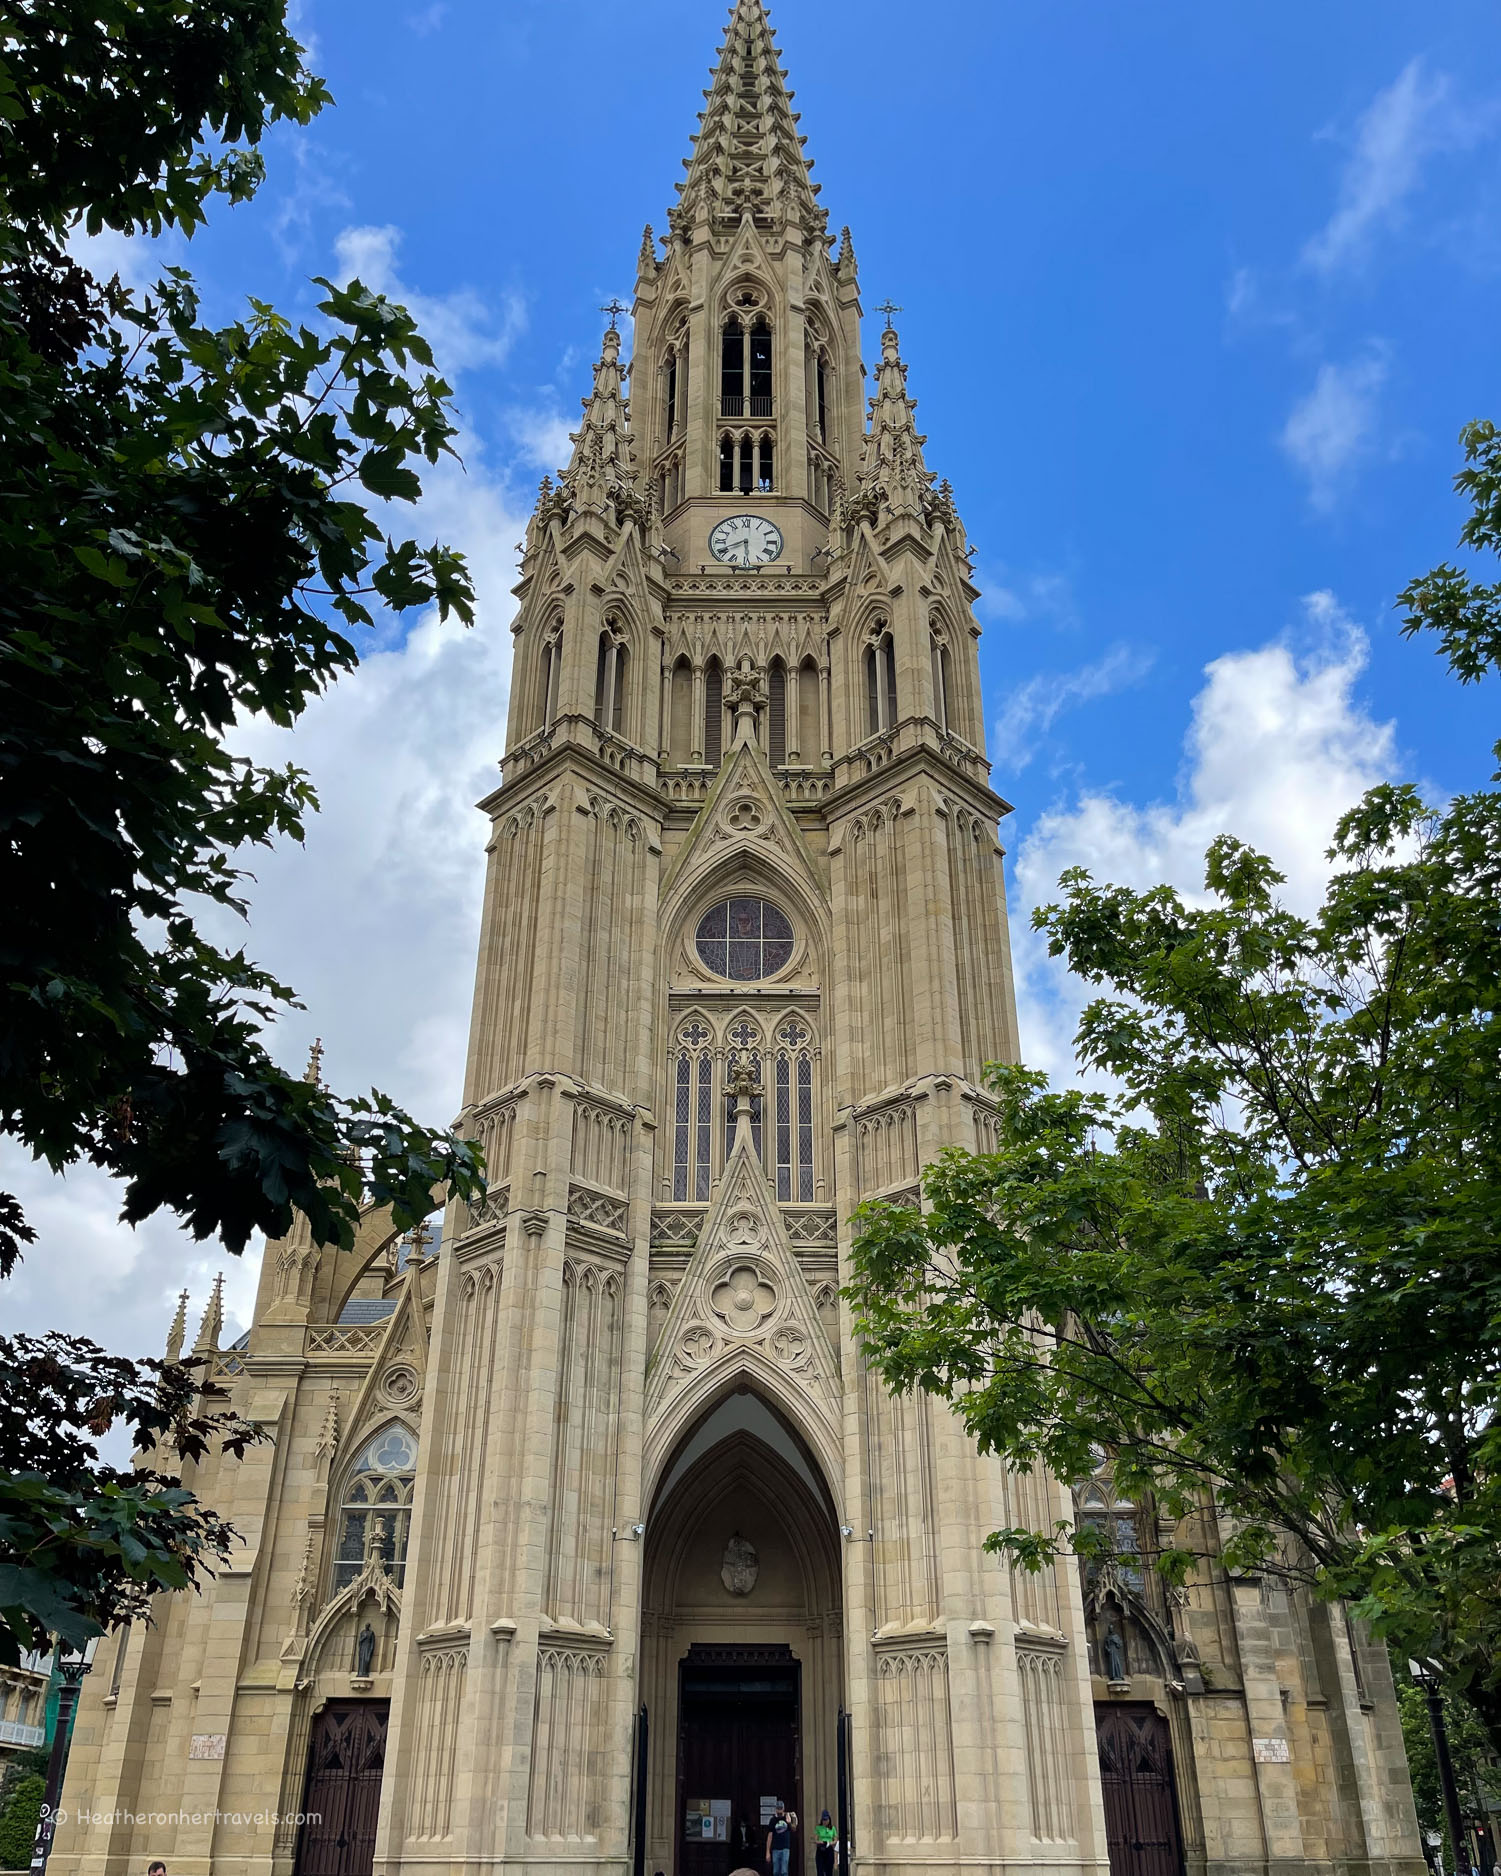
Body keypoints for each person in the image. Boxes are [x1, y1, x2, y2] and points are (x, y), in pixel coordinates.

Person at [765, 1800, 797, 1876]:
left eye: (781, 1809)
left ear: (783, 1809)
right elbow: (770, 1836)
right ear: (776, 1809)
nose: (779, 1811)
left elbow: (794, 1829)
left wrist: (789, 1822)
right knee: (776, 1871)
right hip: (775, 1848)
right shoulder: (773, 1820)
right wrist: (767, 1852)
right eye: (778, 1809)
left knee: (784, 1871)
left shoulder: (788, 1817)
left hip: (785, 1848)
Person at [815, 1810, 836, 1876]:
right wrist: (820, 1842)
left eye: (826, 1820)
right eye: (824, 1820)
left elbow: (835, 1840)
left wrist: (830, 1843)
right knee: (820, 1870)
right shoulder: (818, 1828)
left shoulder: (832, 1828)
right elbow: (815, 1839)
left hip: (829, 1848)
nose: (825, 1822)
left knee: (829, 1870)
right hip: (821, 1848)